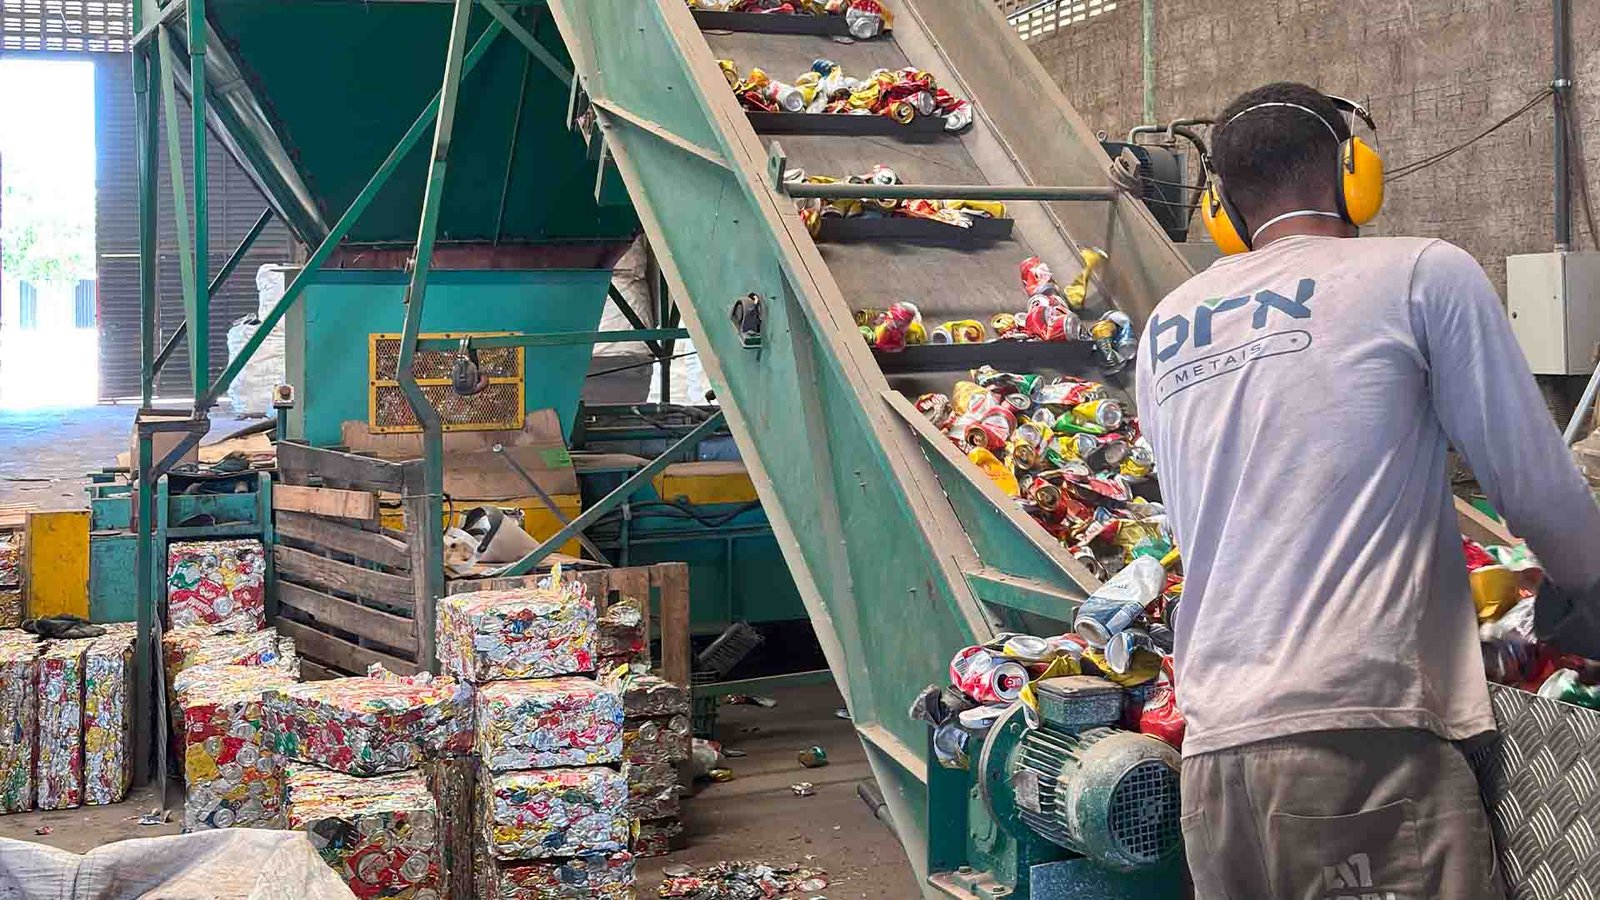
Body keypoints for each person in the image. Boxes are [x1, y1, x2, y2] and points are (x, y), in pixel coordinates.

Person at [1136, 81, 1600, 899]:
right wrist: (1587, 586)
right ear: (1355, 170)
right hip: (1363, 745)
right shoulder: (1420, 273)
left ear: (1222, 208)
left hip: (1213, 763)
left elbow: (1203, 521)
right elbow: (1534, 486)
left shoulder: (1167, 325)